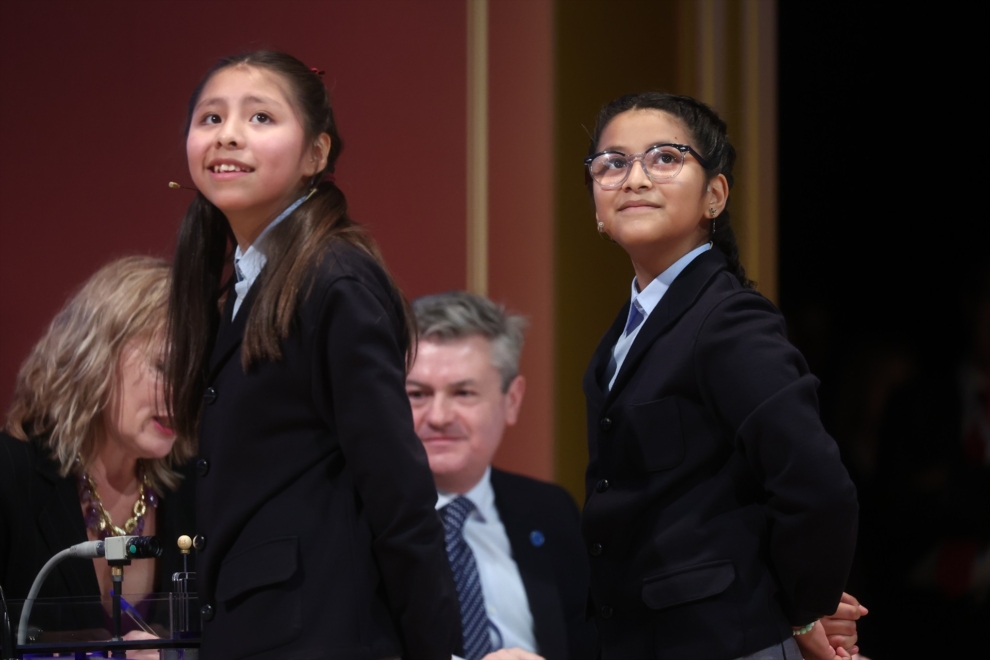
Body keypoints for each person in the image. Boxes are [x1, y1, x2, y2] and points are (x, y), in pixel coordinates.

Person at [164, 50, 458, 659]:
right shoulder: (240, 280)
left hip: (319, 635)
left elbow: (397, 490)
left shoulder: (333, 281)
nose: (230, 135)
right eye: (211, 118)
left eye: (262, 118)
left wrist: (439, 651)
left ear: (316, 155)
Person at [580, 92, 859, 660]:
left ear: (714, 195)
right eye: (612, 163)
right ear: (596, 210)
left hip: (724, 641)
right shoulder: (628, 329)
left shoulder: (729, 318)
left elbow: (815, 484)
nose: (634, 178)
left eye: (664, 158)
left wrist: (803, 609)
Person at [0, 256, 196, 641]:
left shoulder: (198, 487)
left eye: (193, 374)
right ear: (95, 358)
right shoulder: (10, 477)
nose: (182, 395)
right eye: (164, 366)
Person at [406, 291, 598, 660]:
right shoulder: (354, 519)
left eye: (463, 393)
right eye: (417, 394)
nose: (439, 416)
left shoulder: (551, 510)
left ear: (511, 401)